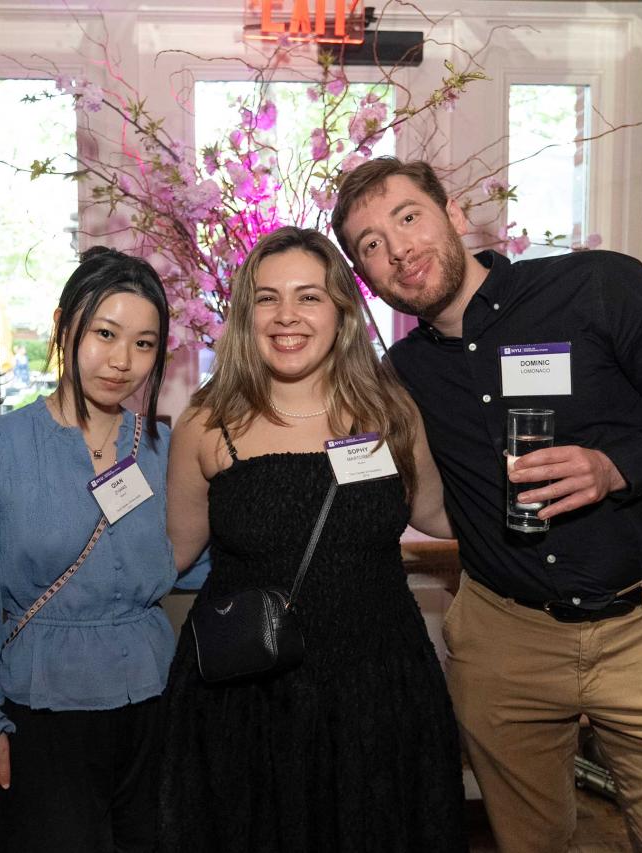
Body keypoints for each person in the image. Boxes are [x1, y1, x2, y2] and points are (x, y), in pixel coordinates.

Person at [331, 157, 642, 853]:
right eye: (371, 244)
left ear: (454, 214)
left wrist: (617, 465)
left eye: (408, 216)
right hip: (506, 643)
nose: (399, 248)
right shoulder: (405, 374)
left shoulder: (594, 286)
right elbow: (429, 499)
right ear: (366, 275)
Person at [158, 226, 467, 853]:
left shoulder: (390, 413)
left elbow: (438, 512)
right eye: (267, 299)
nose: (286, 316)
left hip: (378, 694)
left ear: (342, 311)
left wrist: (553, 500)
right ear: (246, 314)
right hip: (247, 698)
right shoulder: (207, 421)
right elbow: (173, 552)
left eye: (309, 297)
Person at [0, 246, 176, 853]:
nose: (123, 361)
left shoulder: (162, 447)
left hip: (153, 702)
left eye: (144, 344)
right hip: (42, 711)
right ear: (64, 326)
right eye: (105, 334)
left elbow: (194, 555)